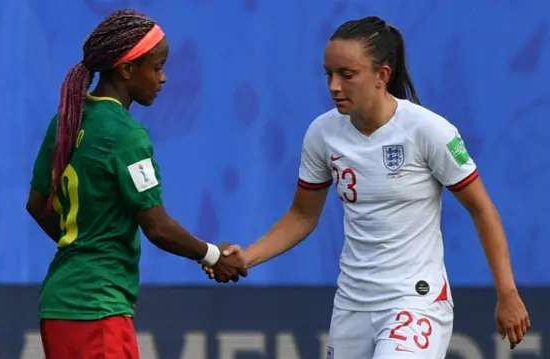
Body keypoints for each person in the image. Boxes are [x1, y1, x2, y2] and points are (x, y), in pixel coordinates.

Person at [204, 16, 530, 359]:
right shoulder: (322, 133)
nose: (333, 86)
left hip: (415, 301)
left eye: (347, 75)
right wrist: (248, 257)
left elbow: (481, 209)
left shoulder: (429, 130)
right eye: (328, 73)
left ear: (382, 75)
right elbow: (302, 215)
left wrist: (507, 292)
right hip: (352, 303)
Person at [26, 9, 246, 359]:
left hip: (59, 305)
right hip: (97, 309)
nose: (164, 79)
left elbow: (37, 206)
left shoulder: (67, 120)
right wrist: (214, 255)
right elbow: (157, 227)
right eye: (157, 67)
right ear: (127, 70)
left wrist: (84, 245)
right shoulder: (126, 135)